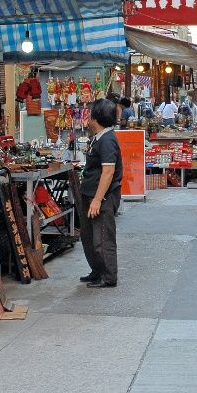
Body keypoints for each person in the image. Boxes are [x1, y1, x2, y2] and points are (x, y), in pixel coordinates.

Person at [78, 98, 122, 289]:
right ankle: (97, 270)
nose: (87, 115)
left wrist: (97, 200)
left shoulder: (108, 140)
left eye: (90, 112)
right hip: (90, 193)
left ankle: (109, 276)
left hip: (102, 196)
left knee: (102, 238)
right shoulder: (99, 137)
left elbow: (108, 172)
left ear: (97, 116)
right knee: (88, 236)